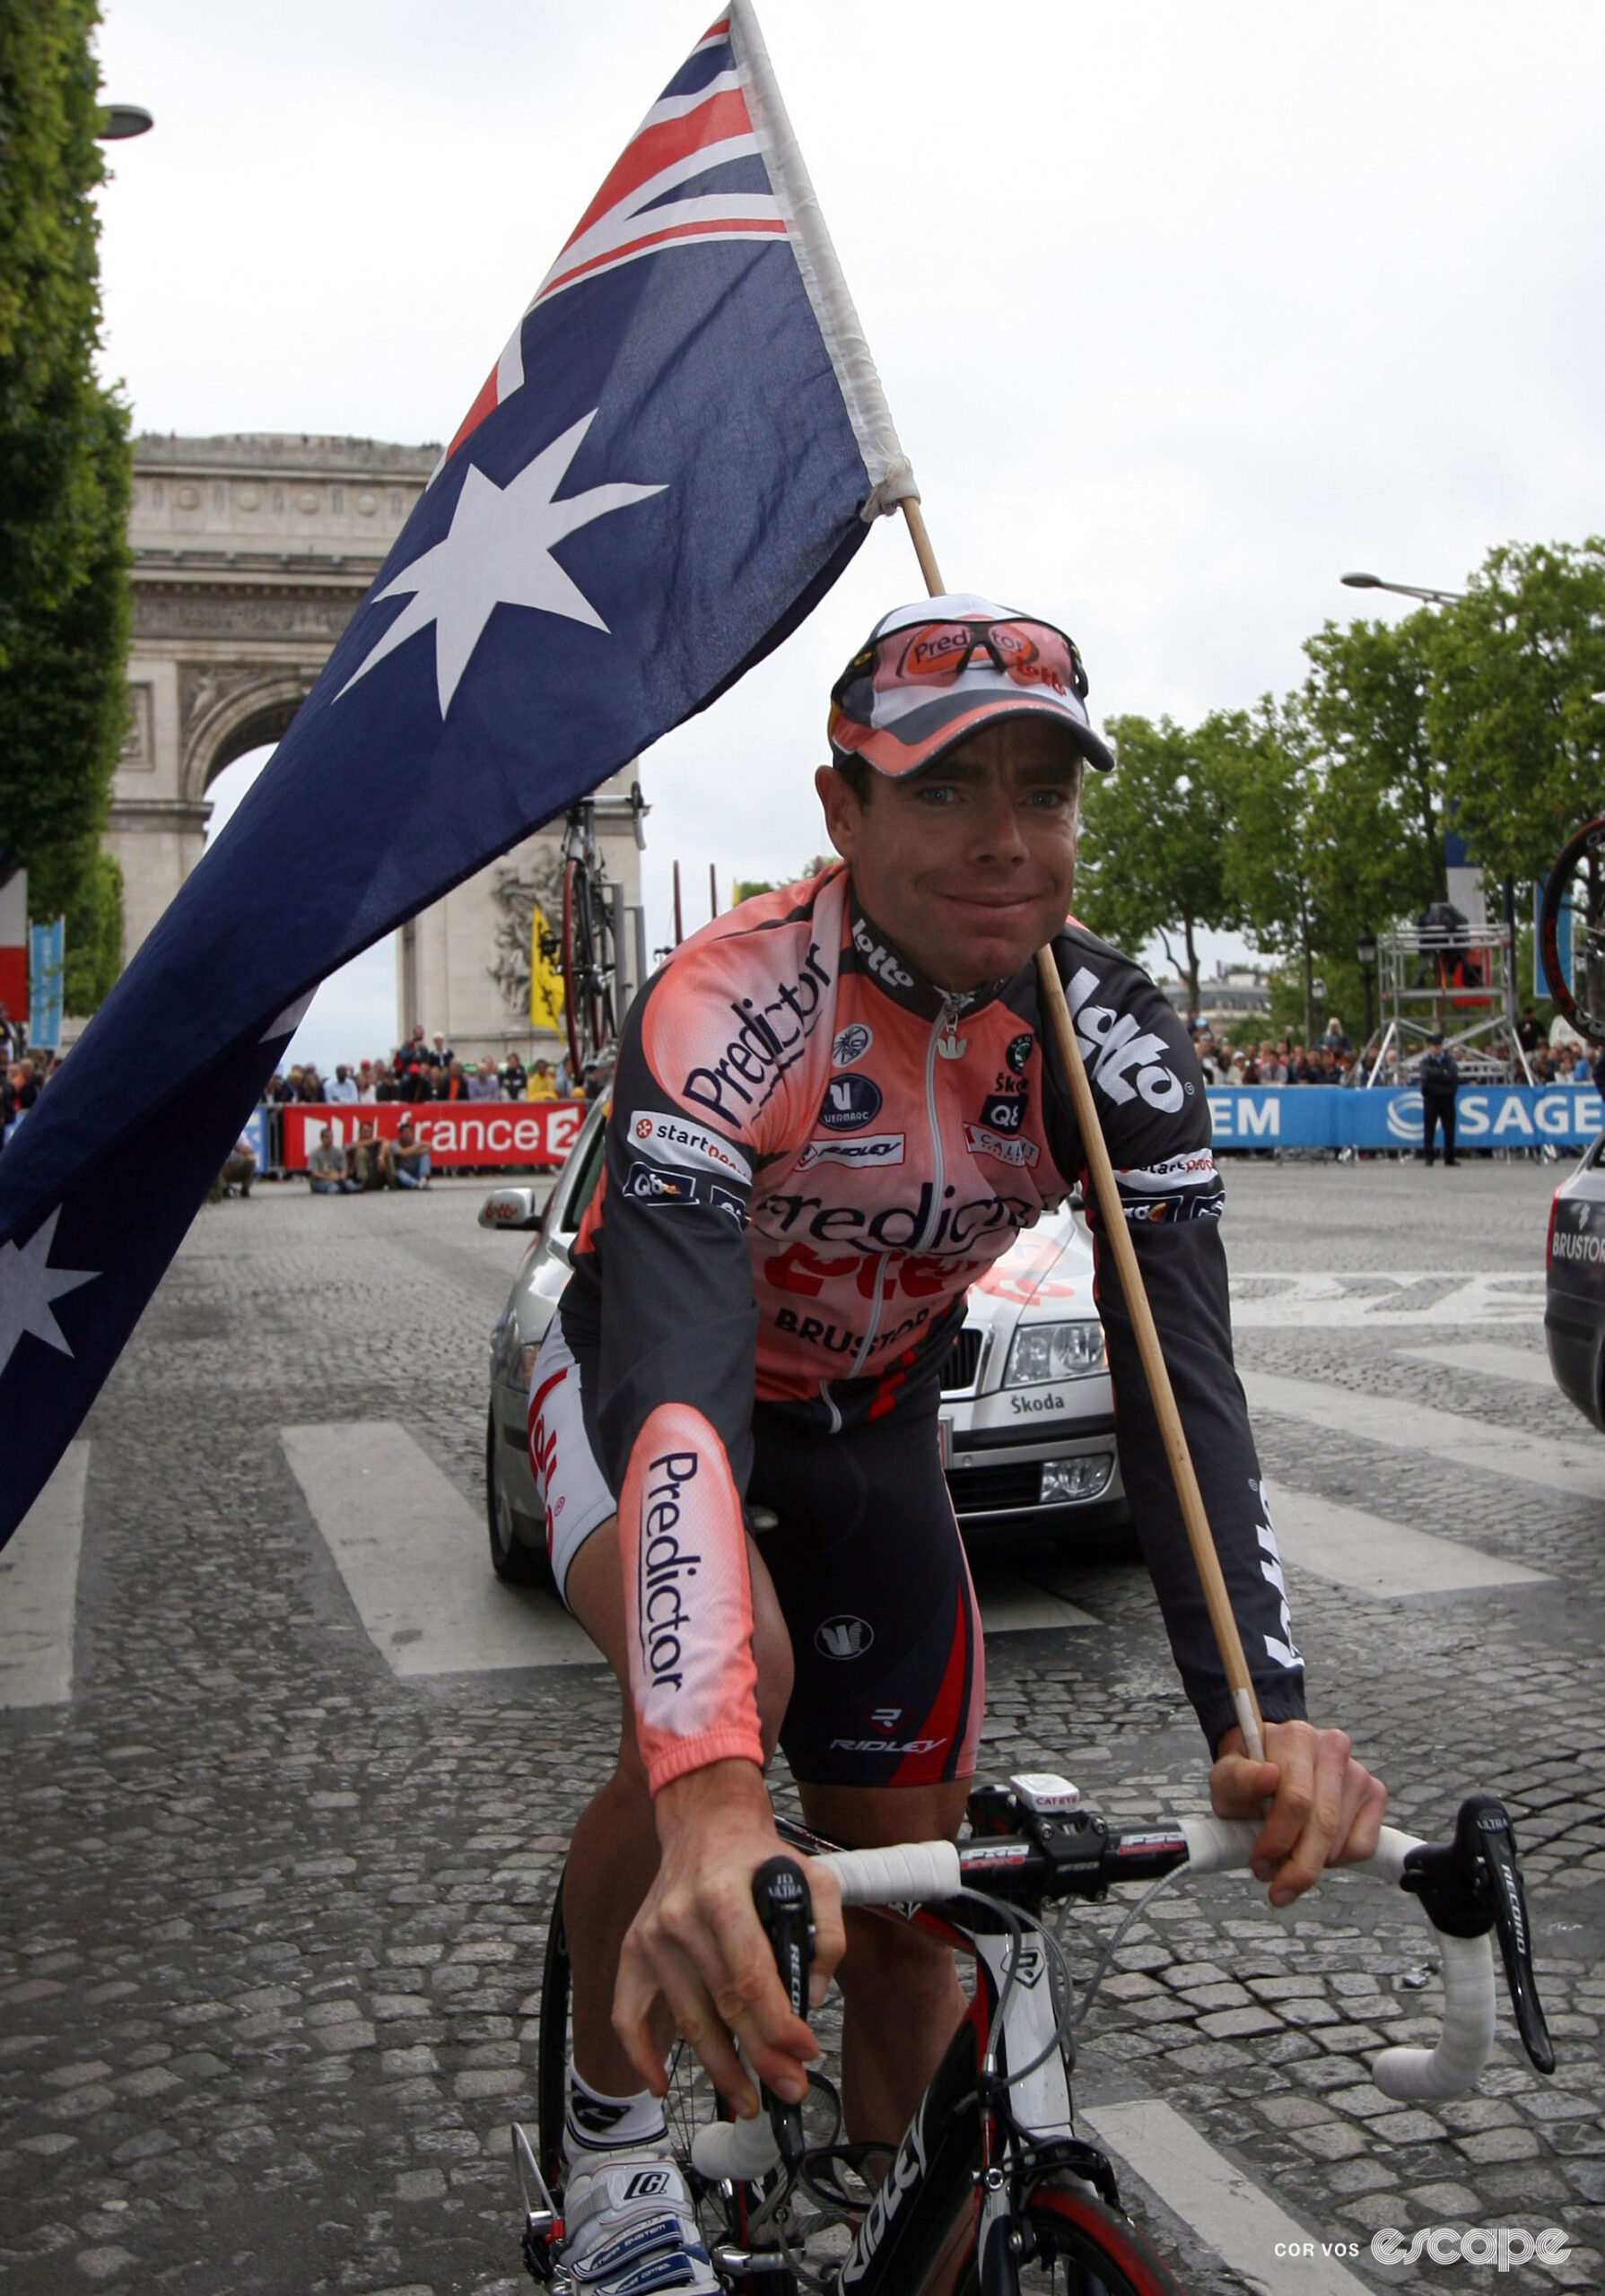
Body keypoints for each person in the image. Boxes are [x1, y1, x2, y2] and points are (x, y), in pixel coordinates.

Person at [528, 596, 1386, 2292]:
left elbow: (1176, 1387)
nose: (1003, 842)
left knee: (913, 1922)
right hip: (652, 1394)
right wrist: (708, 1793)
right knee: (725, 1677)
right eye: (940, 791)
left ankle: (889, 2214)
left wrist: (1261, 1718)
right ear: (841, 808)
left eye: (1041, 793)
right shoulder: (727, 1000)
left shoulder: (1104, 1037)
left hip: (870, 1435)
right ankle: (605, 2140)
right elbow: (680, 1393)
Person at [1419, 1030, 1460, 1166]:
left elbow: (1453, 1076)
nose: (1436, 1047)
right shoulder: (1426, 1062)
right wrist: (1442, 1074)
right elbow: (1425, 1076)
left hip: (1447, 1098)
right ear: (1430, 1047)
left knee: (1449, 1129)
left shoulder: (1449, 1060)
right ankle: (1429, 1157)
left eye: (1438, 1045)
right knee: (1429, 1128)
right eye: (1434, 1045)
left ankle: (1449, 1157)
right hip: (1431, 1098)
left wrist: (1437, 1076)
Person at [345, 1117, 392, 1191]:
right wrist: (371, 1141)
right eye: (365, 1131)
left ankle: (392, 1181)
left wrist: (381, 1157)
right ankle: (362, 1182)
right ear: (360, 1132)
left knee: (388, 1151)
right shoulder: (352, 1144)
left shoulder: (377, 1143)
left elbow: (387, 1143)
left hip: (376, 1173)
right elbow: (348, 1148)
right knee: (361, 1151)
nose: (368, 1133)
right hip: (358, 1176)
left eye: (370, 1131)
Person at [307, 1125, 353, 1194]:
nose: (330, 1139)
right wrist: (329, 1177)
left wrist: (342, 1177)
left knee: (350, 1184)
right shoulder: (314, 1153)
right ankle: (338, 1189)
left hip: (336, 1177)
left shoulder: (339, 1152)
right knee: (330, 1187)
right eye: (327, 1137)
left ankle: (350, 1188)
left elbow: (344, 1168)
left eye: (331, 1137)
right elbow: (314, 1172)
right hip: (320, 1180)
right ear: (321, 1138)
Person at [209, 1135, 257, 1201]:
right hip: (223, 1165)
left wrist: (238, 1148)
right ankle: (222, 1189)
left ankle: (245, 1189)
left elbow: (250, 1150)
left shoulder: (239, 1135)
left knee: (251, 1160)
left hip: (235, 1164)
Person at [389, 1115, 432, 1188]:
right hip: (402, 1172)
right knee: (399, 1173)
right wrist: (419, 1146)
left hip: (415, 1171)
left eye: (409, 1132)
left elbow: (428, 1148)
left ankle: (424, 1178)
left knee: (425, 1154)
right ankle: (417, 1185)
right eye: (405, 1132)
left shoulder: (415, 1143)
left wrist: (412, 1150)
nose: (407, 1135)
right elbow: (402, 1153)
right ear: (400, 1134)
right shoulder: (395, 1143)